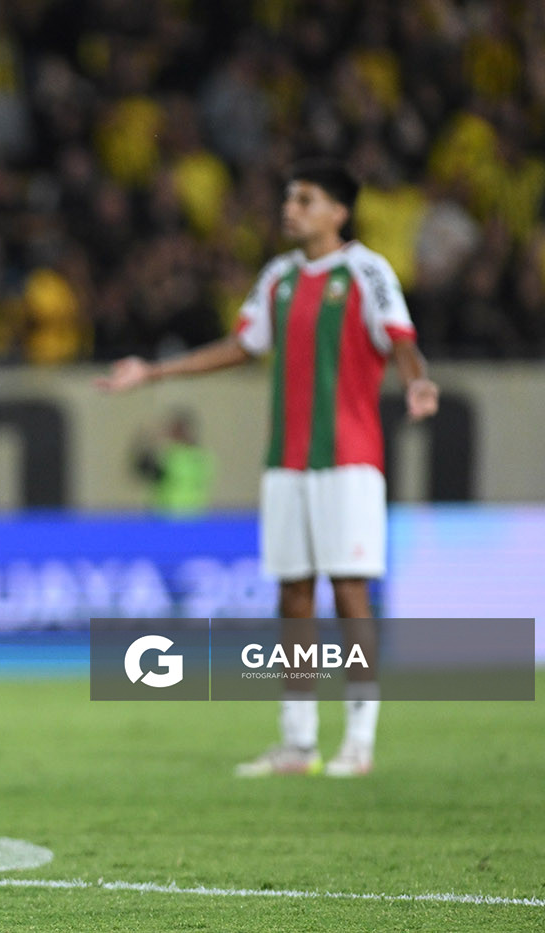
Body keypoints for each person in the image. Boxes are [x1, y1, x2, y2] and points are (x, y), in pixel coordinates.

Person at [98, 158, 439, 778]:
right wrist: (153, 370)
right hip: (285, 462)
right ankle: (298, 742)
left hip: (349, 461)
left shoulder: (366, 271)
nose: (290, 209)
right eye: (288, 198)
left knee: (352, 592)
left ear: (339, 211)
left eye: (304, 199)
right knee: (293, 595)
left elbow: (400, 339)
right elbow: (241, 346)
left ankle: (359, 740)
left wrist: (418, 383)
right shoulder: (278, 277)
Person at [131, 408, 215, 517]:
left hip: (168, 515)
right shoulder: (205, 457)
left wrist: (145, 442)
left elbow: (144, 469)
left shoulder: (172, 457)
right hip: (195, 516)